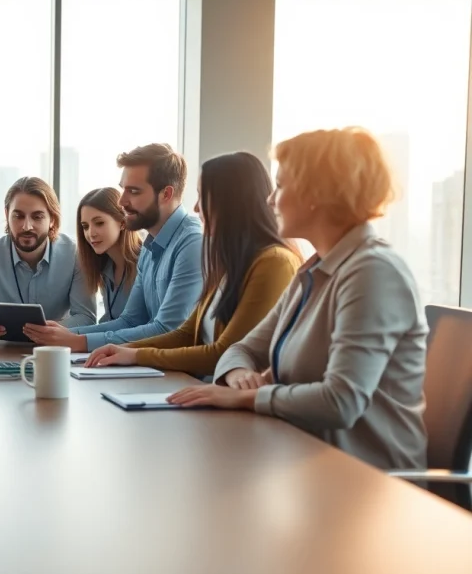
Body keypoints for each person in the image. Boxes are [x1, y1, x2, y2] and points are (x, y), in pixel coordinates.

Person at [167, 127, 428, 471]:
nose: (270, 199)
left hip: (368, 480)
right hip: (302, 458)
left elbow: (340, 401)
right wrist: (239, 375)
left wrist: (245, 397)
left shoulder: (374, 273)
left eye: (282, 185)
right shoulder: (314, 271)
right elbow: (241, 349)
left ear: (317, 193)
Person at [85, 152, 300, 379]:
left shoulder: (274, 263)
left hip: (225, 396)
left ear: (232, 202)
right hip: (204, 390)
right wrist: (126, 351)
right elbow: (186, 334)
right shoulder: (227, 263)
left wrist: (137, 356)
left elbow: (223, 352)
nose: (196, 208)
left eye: (203, 197)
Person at [23, 144, 203, 351]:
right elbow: (129, 320)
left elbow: (168, 329)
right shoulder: (150, 246)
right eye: (122, 189)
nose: (122, 201)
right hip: (155, 367)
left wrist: (79, 342)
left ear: (166, 194)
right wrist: (64, 334)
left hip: (185, 375)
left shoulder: (192, 243)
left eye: (133, 191)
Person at [0, 176, 96, 343]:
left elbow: (86, 317)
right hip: (3, 352)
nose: (26, 226)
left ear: (52, 219)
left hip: (56, 352)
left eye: (37, 217)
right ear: (7, 215)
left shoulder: (75, 255)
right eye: (18, 216)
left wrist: (46, 332)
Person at [73, 187, 142, 323]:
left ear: (123, 222)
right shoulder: (105, 267)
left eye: (99, 223)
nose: (90, 233)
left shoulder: (144, 263)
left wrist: (75, 335)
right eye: (85, 226)